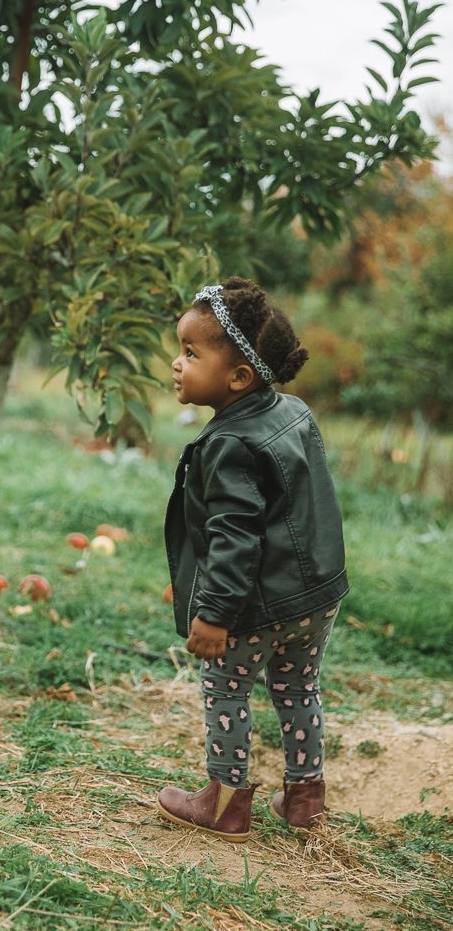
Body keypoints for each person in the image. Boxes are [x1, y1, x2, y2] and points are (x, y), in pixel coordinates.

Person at [158, 277, 348, 841]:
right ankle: (305, 798)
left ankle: (226, 802)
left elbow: (235, 537)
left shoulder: (229, 444)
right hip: (316, 596)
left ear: (239, 377)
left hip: (258, 605)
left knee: (226, 688)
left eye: (191, 353)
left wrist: (214, 614)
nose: (176, 363)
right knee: (298, 688)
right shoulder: (293, 411)